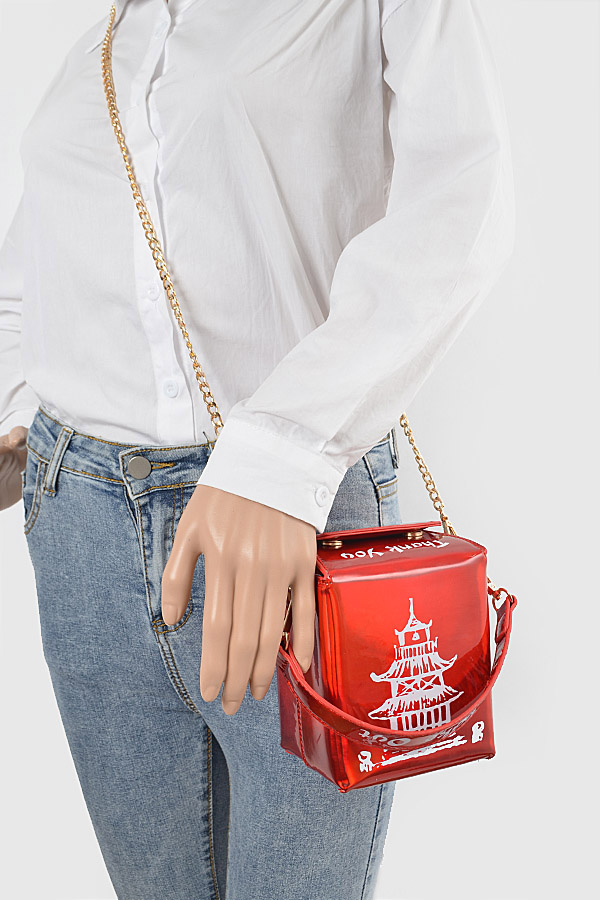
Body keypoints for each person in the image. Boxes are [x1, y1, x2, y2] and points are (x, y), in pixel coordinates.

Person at [0, 1, 515, 898]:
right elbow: (36, 265)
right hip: (78, 518)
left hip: (293, 521)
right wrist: (11, 405)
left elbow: (461, 202)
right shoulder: (110, 35)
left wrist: (283, 450)